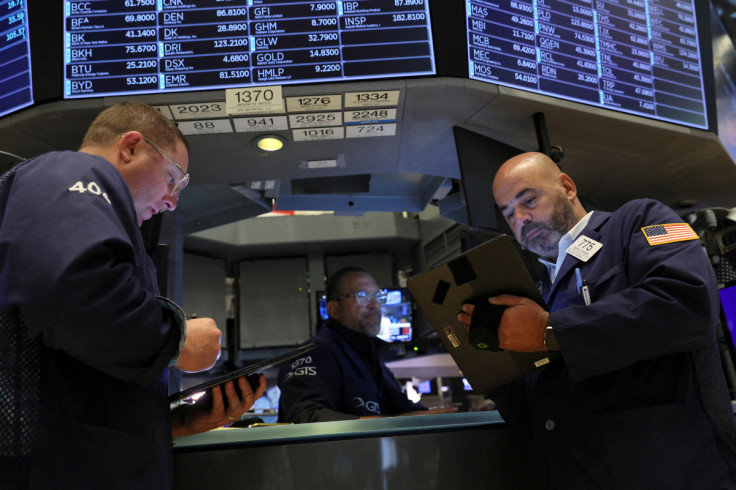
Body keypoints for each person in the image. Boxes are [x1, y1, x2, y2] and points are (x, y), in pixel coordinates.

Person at [0, 102, 266, 490]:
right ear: (130, 148)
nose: (173, 201)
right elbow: (74, 294)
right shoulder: (71, 172)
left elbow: (81, 377)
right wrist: (176, 340)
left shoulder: (103, 221)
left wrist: (174, 422)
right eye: (174, 178)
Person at [458, 152, 736, 488]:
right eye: (508, 214)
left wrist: (548, 330)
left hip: (672, 471)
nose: (521, 218)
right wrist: (493, 365)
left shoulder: (637, 220)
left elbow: (687, 304)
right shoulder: (531, 287)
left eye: (528, 200)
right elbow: (533, 412)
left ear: (567, 188)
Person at [278, 267, 456, 423]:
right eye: (362, 296)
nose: (374, 305)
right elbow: (305, 419)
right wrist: (395, 422)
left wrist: (449, 418)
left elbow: (407, 412)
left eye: (378, 296)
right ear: (334, 310)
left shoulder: (371, 360)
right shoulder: (315, 353)